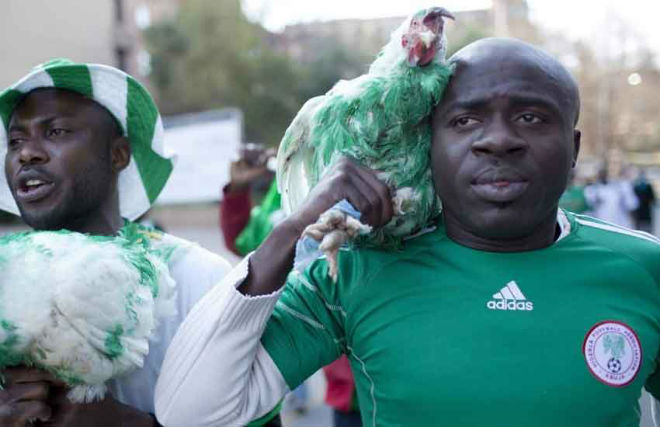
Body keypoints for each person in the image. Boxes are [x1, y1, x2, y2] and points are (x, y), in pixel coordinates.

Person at [155, 38, 660, 426]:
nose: (500, 140)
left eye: (531, 117)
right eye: (465, 120)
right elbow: (192, 412)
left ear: (572, 148)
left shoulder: (644, 268)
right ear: (429, 146)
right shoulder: (352, 274)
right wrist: (291, 227)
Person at [0, 59, 231, 426]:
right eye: (15, 141)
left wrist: (125, 423)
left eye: (56, 132)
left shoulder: (197, 282)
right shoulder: (4, 282)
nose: (26, 153)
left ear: (118, 154)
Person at [221, 146, 362, 426]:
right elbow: (245, 241)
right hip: (347, 391)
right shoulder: (283, 195)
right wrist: (238, 190)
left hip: (408, 378)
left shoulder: (379, 181)